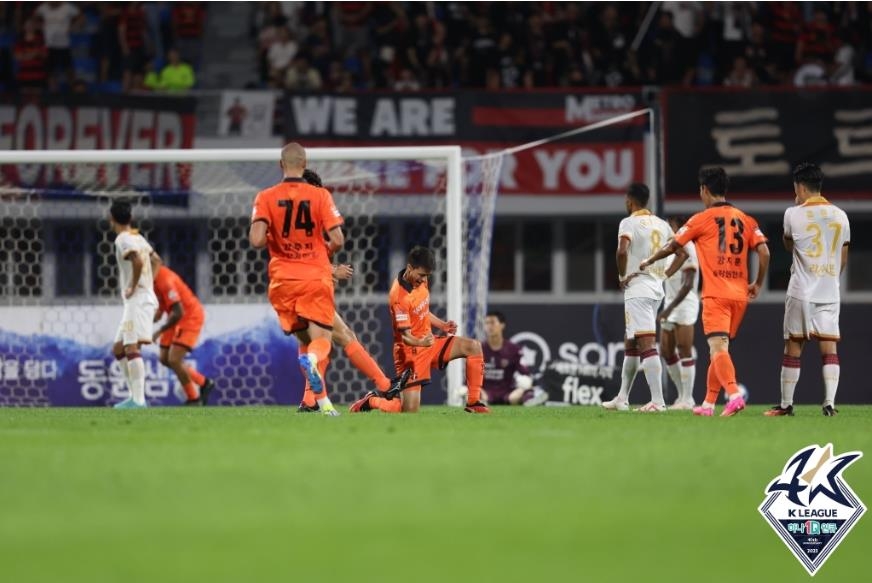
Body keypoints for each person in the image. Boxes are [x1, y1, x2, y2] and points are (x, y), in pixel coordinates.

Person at [640, 167, 770, 417]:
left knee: (717, 348)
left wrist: (649, 260)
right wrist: (758, 283)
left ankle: (733, 395)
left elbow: (672, 246)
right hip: (740, 295)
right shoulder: (746, 219)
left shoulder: (700, 219)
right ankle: (709, 404)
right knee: (719, 349)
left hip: (716, 295)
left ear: (704, 190)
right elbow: (764, 252)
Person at [295, 168, 410, 412]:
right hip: (307, 292)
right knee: (345, 336)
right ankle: (385, 383)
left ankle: (308, 401)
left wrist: (327, 267)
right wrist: (330, 271)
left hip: (292, 295)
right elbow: (301, 261)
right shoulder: (306, 224)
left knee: (315, 347)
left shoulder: (294, 221)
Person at [248, 142, 344, 416]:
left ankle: (323, 405)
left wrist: (278, 238)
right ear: (304, 164)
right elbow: (338, 238)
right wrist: (321, 251)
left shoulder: (265, 197)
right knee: (322, 340)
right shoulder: (320, 195)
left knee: (304, 339)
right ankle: (313, 362)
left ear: (281, 165)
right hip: (314, 277)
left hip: (282, 282)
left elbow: (256, 240)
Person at [349, 246, 490, 414]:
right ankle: (371, 401)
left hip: (429, 342)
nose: (424, 280)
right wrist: (421, 342)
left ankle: (474, 402)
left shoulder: (421, 281)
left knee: (473, 346)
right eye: (422, 275)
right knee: (408, 412)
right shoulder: (398, 297)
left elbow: (422, 311)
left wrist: (442, 325)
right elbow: (406, 336)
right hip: (410, 353)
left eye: (427, 276)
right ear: (410, 268)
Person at [765, 163, 850, 417]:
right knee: (829, 347)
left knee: (793, 345)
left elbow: (790, 246)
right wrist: (830, 278)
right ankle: (829, 404)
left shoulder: (793, 213)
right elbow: (843, 256)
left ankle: (786, 405)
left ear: (800, 187)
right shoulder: (841, 215)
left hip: (802, 288)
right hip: (829, 289)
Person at [602, 183, 673, 413]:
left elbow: (622, 251)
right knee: (631, 341)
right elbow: (679, 251)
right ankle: (622, 398)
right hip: (656, 286)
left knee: (646, 343)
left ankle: (658, 401)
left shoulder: (629, 222)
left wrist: (622, 275)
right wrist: (665, 273)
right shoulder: (663, 225)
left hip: (638, 286)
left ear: (629, 201)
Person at [108, 200, 159, 409]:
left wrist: (134, 286)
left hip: (137, 300)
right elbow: (157, 260)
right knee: (119, 347)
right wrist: (149, 285)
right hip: (141, 298)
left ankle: (139, 401)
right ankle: (133, 397)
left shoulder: (123, 239)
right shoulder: (138, 238)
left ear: (112, 219)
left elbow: (137, 261)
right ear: (130, 218)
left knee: (130, 346)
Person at [150, 257, 215, 406]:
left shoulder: (165, 280)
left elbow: (178, 311)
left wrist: (159, 331)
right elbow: (163, 303)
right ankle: (203, 382)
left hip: (189, 317)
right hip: (174, 317)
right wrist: (152, 318)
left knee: (174, 360)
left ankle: (193, 398)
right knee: (165, 359)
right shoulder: (152, 280)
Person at [659, 216, 699, 410]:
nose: (668, 230)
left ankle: (688, 398)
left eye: (671, 227)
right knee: (666, 351)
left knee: (684, 349)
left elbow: (688, 284)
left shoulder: (689, 248)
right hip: (670, 302)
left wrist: (669, 308)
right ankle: (681, 395)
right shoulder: (670, 249)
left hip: (684, 304)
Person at [480, 310, 545, 406]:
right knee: (472, 391)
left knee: (523, 389)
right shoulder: (478, 349)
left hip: (508, 394)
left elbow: (525, 373)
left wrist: (527, 383)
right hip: (486, 394)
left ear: (502, 325)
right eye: (487, 323)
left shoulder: (514, 349)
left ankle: (531, 398)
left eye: (493, 322)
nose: (489, 326)